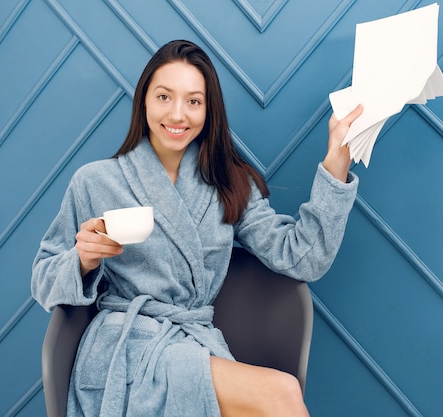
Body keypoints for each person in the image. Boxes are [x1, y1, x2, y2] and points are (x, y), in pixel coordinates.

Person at [32, 39, 363, 417]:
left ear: (209, 110)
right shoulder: (95, 181)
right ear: (143, 100)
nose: (177, 114)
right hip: (125, 353)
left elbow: (303, 258)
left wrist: (336, 161)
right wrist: (82, 260)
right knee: (281, 393)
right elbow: (43, 279)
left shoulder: (229, 183)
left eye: (193, 101)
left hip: (194, 345)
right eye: (163, 97)